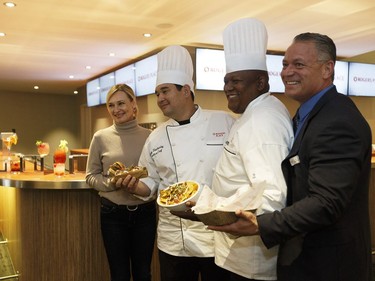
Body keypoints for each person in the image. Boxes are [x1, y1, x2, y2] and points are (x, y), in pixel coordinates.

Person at [209, 33, 373, 281]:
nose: (287, 73)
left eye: (299, 65)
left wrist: (259, 224)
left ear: (328, 69)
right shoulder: (306, 114)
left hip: (328, 264)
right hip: (304, 257)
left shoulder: (337, 120)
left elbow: (326, 202)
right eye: (285, 64)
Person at [124, 45, 235, 281]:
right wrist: (134, 187)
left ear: (186, 90)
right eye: (157, 93)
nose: (159, 99)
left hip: (215, 235)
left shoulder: (224, 123)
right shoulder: (156, 137)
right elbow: (151, 182)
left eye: (165, 91)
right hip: (173, 239)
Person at [200, 18, 293, 281]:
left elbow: (273, 196)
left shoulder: (262, 121)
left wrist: (221, 213)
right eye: (227, 80)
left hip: (251, 260)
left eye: (237, 80)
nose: (228, 87)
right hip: (241, 250)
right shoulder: (259, 112)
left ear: (261, 83)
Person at [86, 84, 156, 281]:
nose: (116, 109)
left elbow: (156, 175)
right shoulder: (100, 137)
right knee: (119, 274)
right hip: (113, 215)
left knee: (143, 273)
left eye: (121, 103)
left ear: (134, 104)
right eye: (111, 105)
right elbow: (91, 176)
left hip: (145, 213)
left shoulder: (150, 137)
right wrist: (113, 184)